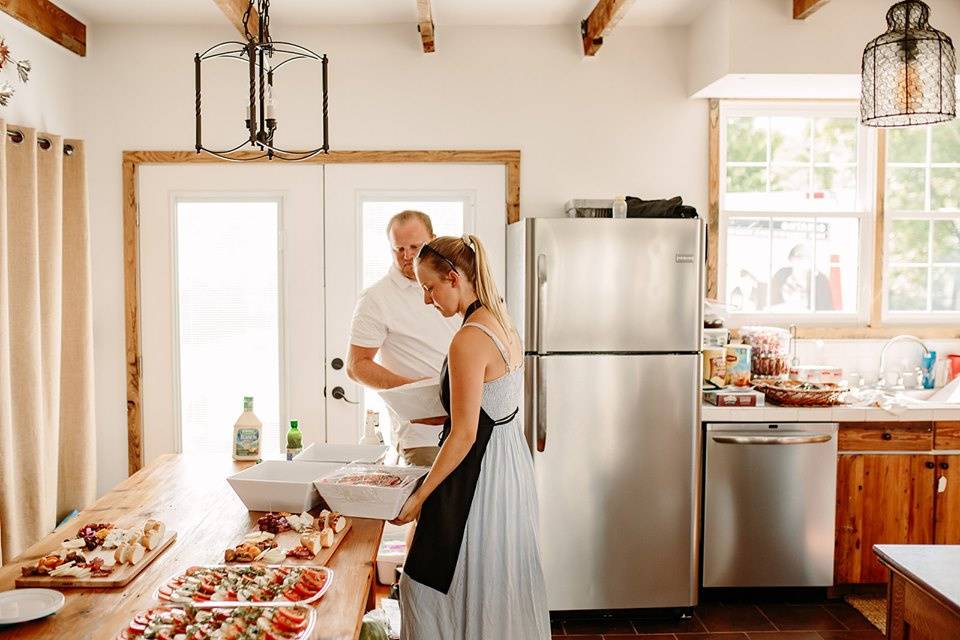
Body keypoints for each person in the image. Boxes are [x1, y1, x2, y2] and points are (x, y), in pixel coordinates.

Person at [391, 234, 550, 639]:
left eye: (429, 288)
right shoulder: (499, 321)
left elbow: (463, 435)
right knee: (495, 587)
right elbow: (489, 407)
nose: (428, 300)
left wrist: (419, 497)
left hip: (478, 473)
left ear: (453, 277)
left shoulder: (469, 338)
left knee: (427, 586)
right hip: (508, 464)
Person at [346, 211, 459, 467]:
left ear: (434, 240)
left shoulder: (455, 283)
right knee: (432, 507)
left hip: (469, 427)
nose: (407, 256)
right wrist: (415, 394)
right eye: (399, 249)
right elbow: (356, 366)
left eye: (416, 247)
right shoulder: (377, 298)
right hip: (423, 437)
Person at [770, 243, 833, 311]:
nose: (803, 259)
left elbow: (825, 309)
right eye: (799, 256)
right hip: (783, 317)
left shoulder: (821, 280)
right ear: (790, 259)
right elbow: (771, 303)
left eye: (807, 256)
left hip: (810, 319)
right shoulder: (781, 275)